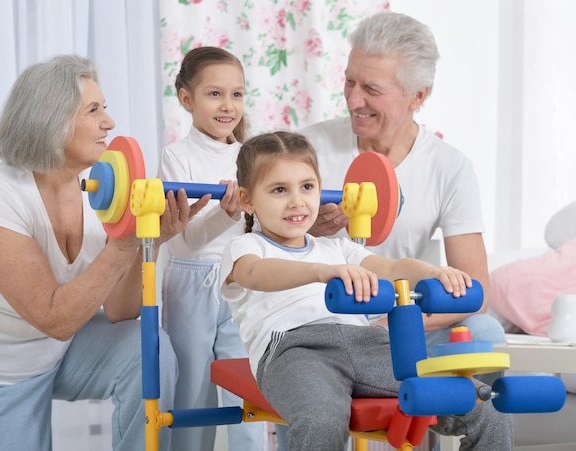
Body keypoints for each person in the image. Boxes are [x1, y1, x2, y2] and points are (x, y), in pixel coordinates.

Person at [0, 54, 209, 451]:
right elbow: (55, 317)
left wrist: (150, 241)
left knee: (147, 346)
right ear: (51, 118)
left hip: (62, 354)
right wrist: (125, 240)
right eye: (94, 110)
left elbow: (121, 311)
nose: (109, 122)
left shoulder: (97, 193)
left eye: (104, 108)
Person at [218, 131, 513, 451]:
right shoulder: (245, 248)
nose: (297, 201)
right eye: (279, 190)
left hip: (368, 342)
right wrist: (320, 273)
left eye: (307, 186)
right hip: (294, 350)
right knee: (321, 420)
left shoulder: (338, 248)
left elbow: (393, 268)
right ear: (247, 200)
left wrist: (432, 272)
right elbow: (256, 274)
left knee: (481, 404)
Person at [301, 11, 505, 360]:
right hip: (326, 315)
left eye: (371, 89)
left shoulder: (449, 166)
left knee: (484, 331)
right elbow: (260, 245)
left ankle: (450, 415)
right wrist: (307, 232)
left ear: (417, 96)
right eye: (350, 81)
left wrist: (389, 324)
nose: (352, 100)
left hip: (402, 318)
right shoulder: (307, 148)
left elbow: (477, 288)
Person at [157, 47, 266, 451]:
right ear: (187, 99)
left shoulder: (249, 157)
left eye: (237, 94)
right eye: (215, 94)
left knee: (248, 387)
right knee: (194, 387)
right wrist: (224, 213)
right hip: (191, 281)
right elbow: (185, 237)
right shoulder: (176, 156)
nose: (228, 105)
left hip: (240, 278)